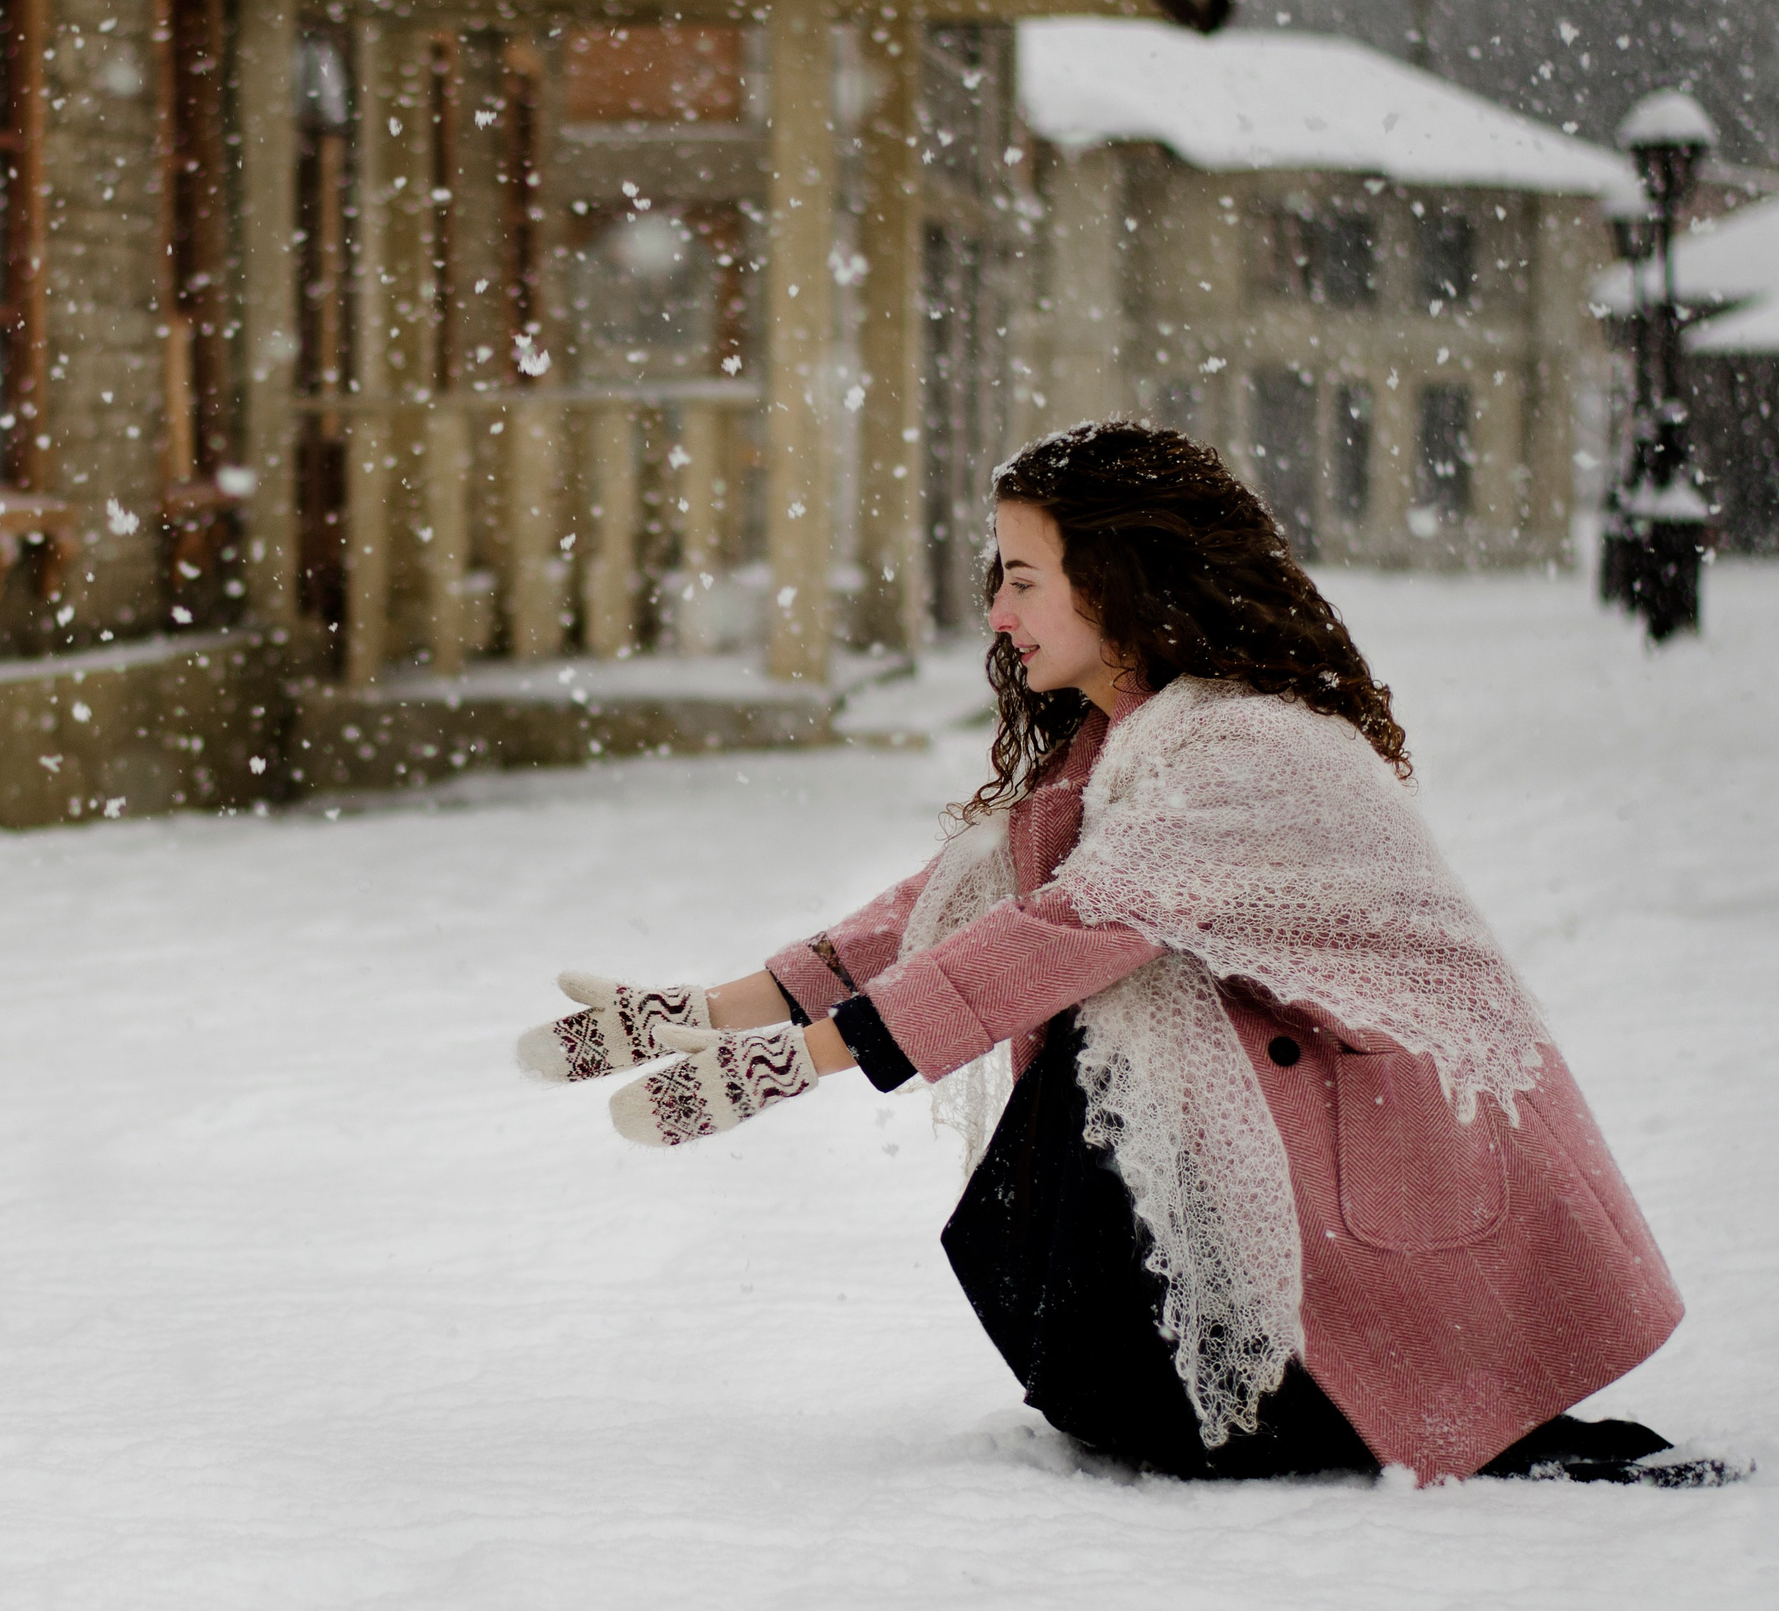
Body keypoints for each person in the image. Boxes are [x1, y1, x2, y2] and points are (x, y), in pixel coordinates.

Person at [520, 422, 1738, 1487]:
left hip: (1406, 1181)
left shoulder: (1247, 750)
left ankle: (1371, 1401)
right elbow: (959, 901)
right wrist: (717, 1010)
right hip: (1305, 1162)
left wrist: (810, 1059)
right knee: (1106, 1079)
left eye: (1024, 579)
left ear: (1119, 577)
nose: (998, 615)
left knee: (1109, 1006)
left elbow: (1069, 928)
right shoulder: (1133, 741)